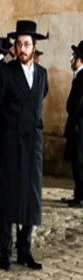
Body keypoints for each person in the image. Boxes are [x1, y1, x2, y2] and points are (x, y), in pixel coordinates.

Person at [0, 20, 49, 271]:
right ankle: (5, 251)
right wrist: (10, 128)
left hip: (33, 146)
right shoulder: (5, 73)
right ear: (14, 47)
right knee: (8, 198)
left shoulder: (42, 75)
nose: (22, 48)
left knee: (31, 200)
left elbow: (39, 99)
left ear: (34, 47)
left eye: (27, 44)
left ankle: (25, 251)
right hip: (11, 145)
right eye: (19, 44)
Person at [63, 41, 83, 208]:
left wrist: (71, 107)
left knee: (79, 162)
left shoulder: (82, 77)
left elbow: (75, 104)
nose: (72, 59)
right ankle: (78, 193)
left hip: (79, 127)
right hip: (77, 126)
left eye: (75, 57)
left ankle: (80, 196)